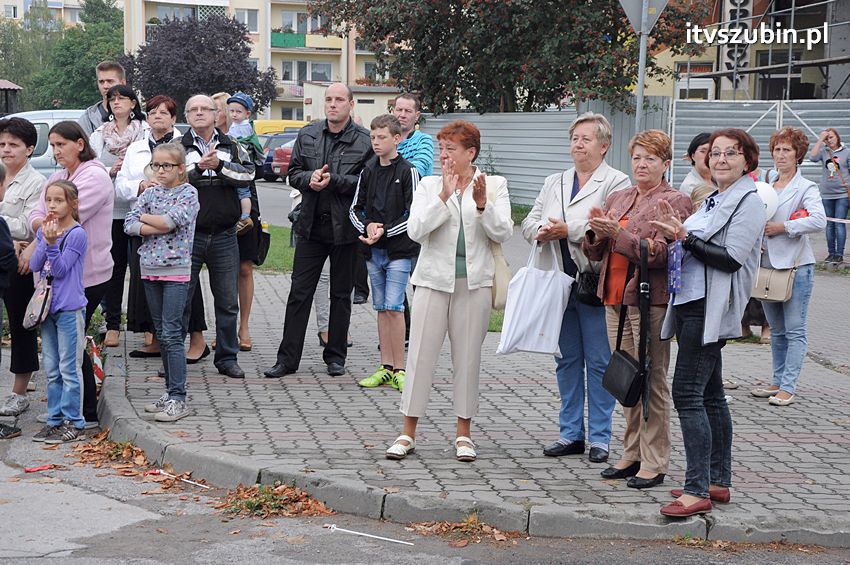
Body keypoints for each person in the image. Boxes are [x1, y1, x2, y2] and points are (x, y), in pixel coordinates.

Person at [650, 128, 764, 517]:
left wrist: (684, 236)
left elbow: (731, 257)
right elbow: (691, 241)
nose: (720, 159)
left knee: (687, 394)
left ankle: (696, 489)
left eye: (731, 153)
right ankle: (717, 481)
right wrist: (675, 231)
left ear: (747, 160)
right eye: (715, 153)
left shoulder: (749, 200)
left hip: (708, 308)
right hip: (689, 301)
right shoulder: (716, 199)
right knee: (712, 395)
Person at [385, 120, 512, 463]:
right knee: (420, 356)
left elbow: (503, 233)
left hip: (474, 285)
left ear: (470, 153)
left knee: (468, 359)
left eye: (450, 149)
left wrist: (483, 205)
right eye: (441, 148)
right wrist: (444, 196)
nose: (443, 155)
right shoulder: (428, 185)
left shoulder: (494, 184)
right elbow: (415, 231)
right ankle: (407, 431)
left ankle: (463, 434)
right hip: (431, 281)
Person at [582, 130, 692, 489]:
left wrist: (620, 234)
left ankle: (655, 460)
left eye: (650, 159)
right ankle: (630, 452)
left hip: (650, 300)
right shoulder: (620, 195)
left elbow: (660, 254)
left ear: (665, 164)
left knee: (653, 380)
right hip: (613, 296)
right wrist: (596, 234)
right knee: (626, 379)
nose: (642, 165)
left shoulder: (675, 201)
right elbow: (597, 253)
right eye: (637, 158)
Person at [521, 112, 630, 463]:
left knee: (599, 361)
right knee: (566, 360)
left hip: (595, 281)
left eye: (585, 138)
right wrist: (539, 230)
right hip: (557, 281)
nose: (578, 144)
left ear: (604, 145)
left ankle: (600, 438)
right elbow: (529, 219)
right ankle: (570, 433)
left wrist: (564, 229)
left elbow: (607, 223)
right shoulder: (555, 180)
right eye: (574, 138)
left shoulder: (617, 181)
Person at [264, 83, 373, 378]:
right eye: (328, 99)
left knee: (341, 294)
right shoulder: (309, 133)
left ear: (351, 104)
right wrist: (308, 178)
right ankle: (287, 360)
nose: (333, 104)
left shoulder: (364, 140)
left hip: (345, 228)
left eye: (339, 99)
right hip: (311, 224)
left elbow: (367, 184)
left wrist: (334, 180)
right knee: (299, 293)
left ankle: (336, 356)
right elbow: (293, 173)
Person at [26, 122, 114, 429]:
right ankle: (63, 410)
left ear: (79, 143)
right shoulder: (57, 177)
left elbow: (63, 220)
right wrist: (43, 229)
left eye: (61, 144)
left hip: (87, 275)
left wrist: (45, 233)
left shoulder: (95, 176)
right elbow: (36, 216)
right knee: (59, 355)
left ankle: (83, 413)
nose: (55, 151)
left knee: (72, 351)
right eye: (52, 145)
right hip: (54, 283)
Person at [115, 95, 209, 362]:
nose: (157, 116)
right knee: (148, 286)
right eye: (152, 111)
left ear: (173, 118)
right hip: (146, 227)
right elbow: (122, 188)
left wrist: (147, 220)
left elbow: (175, 211)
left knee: (186, 293)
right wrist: (140, 187)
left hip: (178, 237)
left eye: (163, 112)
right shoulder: (136, 147)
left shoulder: (185, 145)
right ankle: (157, 341)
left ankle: (194, 341)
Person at [179, 94, 254, 379]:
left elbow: (249, 175)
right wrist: (198, 169)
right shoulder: (177, 147)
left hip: (224, 235)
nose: (199, 113)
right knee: (181, 300)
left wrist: (220, 167)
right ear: (187, 116)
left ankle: (227, 358)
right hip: (188, 235)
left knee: (226, 301)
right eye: (193, 109)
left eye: (205, 109)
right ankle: (175, 359)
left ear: (216, 114)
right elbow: (168, 179)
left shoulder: (231, 145)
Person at [750, 127, 826, 406]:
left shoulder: (806, 187)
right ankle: (777, 379)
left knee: (795, 330)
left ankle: (789, 386)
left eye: (787, 150)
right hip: (766, 265)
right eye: (777, 149)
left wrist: (785, 227)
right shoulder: (765, 181)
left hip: (796, 268)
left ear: (798, 155)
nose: (780, 155)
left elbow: (819, 221)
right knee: (776, 329)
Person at [125, 143, 199, 422]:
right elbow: (128, 224)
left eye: (167, 165)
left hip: (176, 271)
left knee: (171, 334)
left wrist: (145, 220)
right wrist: (149, 223)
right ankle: (169, 393)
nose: (160, 170)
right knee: (161, 332)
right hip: (149, 269)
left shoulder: (189, 193)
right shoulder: (150, 192)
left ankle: (179, 397)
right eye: (156, 165)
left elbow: (171, 222)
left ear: (180, 169)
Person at [350, 114, 419, 390]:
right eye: (373, 137)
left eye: (382, 137)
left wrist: (386, 231)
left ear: (396, 139)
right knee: (380, 308)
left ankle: (401, 369)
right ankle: (385, 366)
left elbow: (413, 213)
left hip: (399, 250)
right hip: (373, 251)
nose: (376, 143)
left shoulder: (408, 171)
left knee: (395, 307)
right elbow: (355, 209)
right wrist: (368, 228)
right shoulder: (367, 171)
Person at [90, 84, 149, 348]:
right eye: (111, 99)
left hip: (139, 209)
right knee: (114, 269)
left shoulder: (144, 133)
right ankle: (112, 324)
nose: (116, 102)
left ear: (133, 103)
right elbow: (89, 166)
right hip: (110, 210)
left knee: (142, 269)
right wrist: (109, 168)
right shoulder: (99, 134)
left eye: (121, 98)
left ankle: (148, 327)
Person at [30, 180, 88, 443]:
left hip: (69, 308)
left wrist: (52, 243)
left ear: (72, 204)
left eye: (59, 200)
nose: (52, 206)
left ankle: (74, 421)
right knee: (51, 368)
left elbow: (62, 269)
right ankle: (53, 419)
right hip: (47, 309)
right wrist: (44, 237)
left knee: (69, 367)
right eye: (49, 200)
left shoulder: (77, 234)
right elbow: (33, 263)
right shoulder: (47, 231)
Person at [0, 118, 45, 421]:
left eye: (13, 145)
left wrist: (4, 225)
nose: (6, 150)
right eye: (2, 144)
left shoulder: (37, 183)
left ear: (29, 149)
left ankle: (19, 393)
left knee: (20, 327)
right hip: (6, 251)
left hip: (18, 264)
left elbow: (30, 225)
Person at [226, 91, 264, 352]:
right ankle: (225, 328)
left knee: (244, 268)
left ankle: (244, 326)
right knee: (222, 271)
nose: (231, 114)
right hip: (219, 207)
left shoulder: (246, 135)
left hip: (247, 203)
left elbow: (258, 167)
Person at [809, 128, 850, 264]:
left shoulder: (846, 152)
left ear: (837, 137)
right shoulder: (824, 152)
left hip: (842, 194)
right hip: (826, 194)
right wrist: (820, 139)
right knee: (829, 225)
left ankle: (839, 254)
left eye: (831, 137)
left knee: (839, 223)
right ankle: (831, 253)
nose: (829, 140)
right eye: (827, 138)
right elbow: (812, 157)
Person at [225, 91, 259, 235]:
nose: (234, 114)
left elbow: (237, 142)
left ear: (247, 114)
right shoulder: (236, 124)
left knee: (243, 191)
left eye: (238, 112)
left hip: (241, 164)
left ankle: (245, 216)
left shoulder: (243, 126)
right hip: (237, 162)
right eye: (231, 111)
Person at [78, 61, 126, 136]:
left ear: (122, 83)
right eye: (101, 82)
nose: (105, 86)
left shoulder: (139, 117)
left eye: (110, 81)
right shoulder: (87, 119)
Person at [393, 93, 434, 178]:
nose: (402, 115)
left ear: (417, 116)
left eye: (408, 111)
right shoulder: (385, 140)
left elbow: (414, 173)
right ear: (393, 112)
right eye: (399, 110)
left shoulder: (424, 141)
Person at [679, 132, 712, 196]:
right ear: (693, 155)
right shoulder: (690, 186)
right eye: (703, 151)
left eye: (712, 152)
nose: (707, 157)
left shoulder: (718, 180)